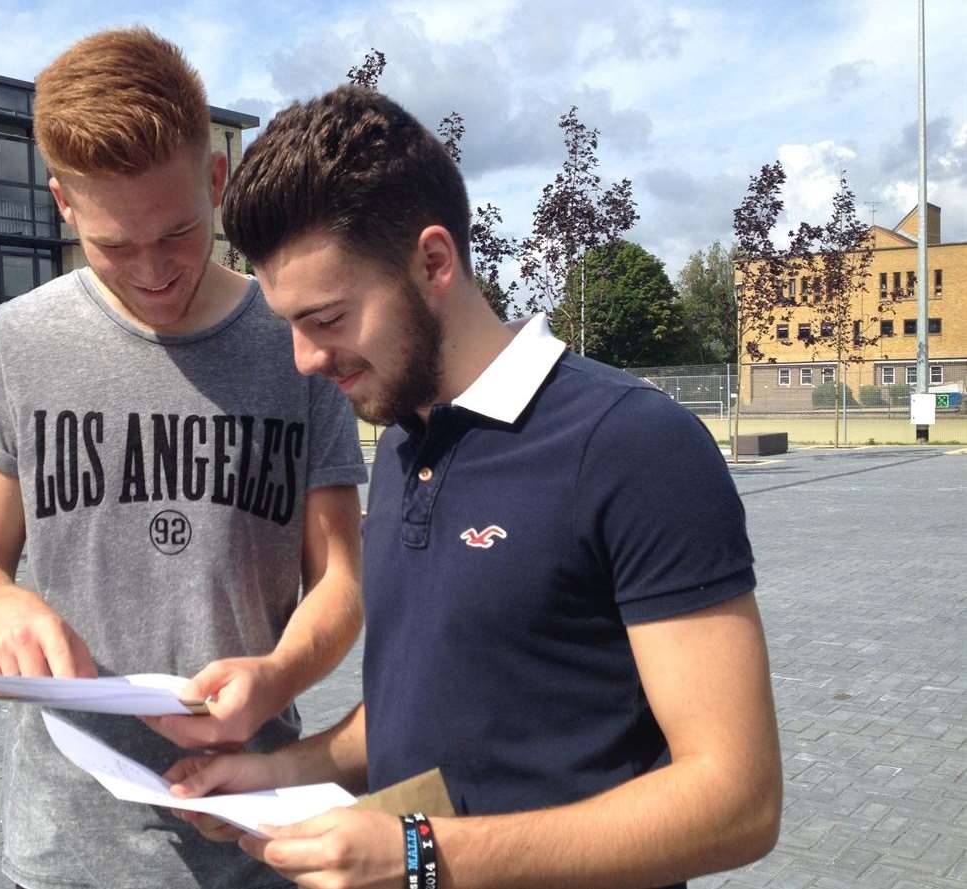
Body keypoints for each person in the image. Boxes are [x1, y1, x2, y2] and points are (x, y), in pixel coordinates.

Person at [165, 85, 782, 889]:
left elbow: (736, 800)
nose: (304, 361)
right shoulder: (397, 446)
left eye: (325, 318)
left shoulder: (634, 446)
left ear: (431, 261)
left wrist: (423, 855)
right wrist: (272, 773)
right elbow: (424, 709)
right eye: (289, 323)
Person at [0, 30, 367, 889]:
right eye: (112, 245)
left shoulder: (297, 343)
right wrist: (1, 610)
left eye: (176, 231)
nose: (154, 270)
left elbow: (343, 582)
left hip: (252, 831)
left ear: (216, 181)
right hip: (65, 846)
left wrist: (276, 671)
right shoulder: (17, 342)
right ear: (62, 204)